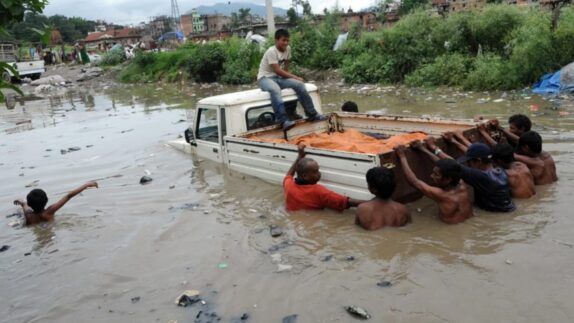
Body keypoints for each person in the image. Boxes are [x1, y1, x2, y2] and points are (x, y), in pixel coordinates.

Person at [258, 29, 327, 131]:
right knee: (275, 89)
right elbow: (278, 70)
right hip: (265, 78)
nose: (286, 43)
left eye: (287, 40)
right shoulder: (271, 51)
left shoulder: (288, 49)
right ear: (276, 41)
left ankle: (312, 114)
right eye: (283, 40)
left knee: (299, 85)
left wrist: (291, 79)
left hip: (278, 78)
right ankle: (283, 121)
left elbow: (285, 68)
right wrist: (295, 77)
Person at [424, 137, 515, 213]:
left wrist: (433, 147)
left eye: (469, 162)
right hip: (508, 209)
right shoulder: (499, 169)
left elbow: (451, 165)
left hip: (496, 214)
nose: (467, 164)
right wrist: (454, 141)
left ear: (478, 161)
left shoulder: (480, 176)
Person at [394, 144, 472, 224]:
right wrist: (423, 149)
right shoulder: (462, 184)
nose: (431, 176)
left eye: (436, 175)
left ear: (448, 179)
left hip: (449, 229)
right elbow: (444, 165)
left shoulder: (441, 194)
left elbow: (414, 182)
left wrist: (402, 156)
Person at [283, 144, 363, 212]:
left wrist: (299, 157)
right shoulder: (318, 191)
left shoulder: (289, 185)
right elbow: (345, 202)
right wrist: (371, 203)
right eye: (315, 171)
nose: (319, 174)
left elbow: (288, 175)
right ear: (305, 176)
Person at [14, 181, 98, 226]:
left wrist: (19, 200)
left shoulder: (28, 214)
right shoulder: (48, 212)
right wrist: (86, 185)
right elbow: (69, 196)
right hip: (49, 229)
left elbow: (24, 204)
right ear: (46, 200)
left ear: (30, 204)